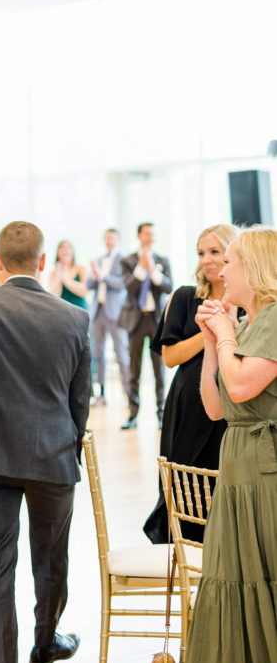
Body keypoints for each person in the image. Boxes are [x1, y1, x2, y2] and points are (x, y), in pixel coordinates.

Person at [0, 221, 91, 663]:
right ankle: (44, 644)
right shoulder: (74, 317)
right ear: (42, 261)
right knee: (51, 556)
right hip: (54, 452)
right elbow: (80, 398)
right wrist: (68, 442)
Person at [178, 226, 277, 663]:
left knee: (263, 602)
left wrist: (224, 335)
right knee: (232, 610)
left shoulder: (274, 320)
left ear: (256, 270)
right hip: (238, 475)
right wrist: (216, 340)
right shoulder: (245, 323)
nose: (222, 270)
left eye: (231, 261)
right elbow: (216, 406)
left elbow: (243, 385)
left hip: (266, 479)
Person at [143, 224, 238, 544]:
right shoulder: (185, 297)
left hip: (230, 401)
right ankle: (187, 551)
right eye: (201, 253)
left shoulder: (245, 300)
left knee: (222, 477)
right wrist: (212, 327)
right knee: (184, 477)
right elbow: (170, 357)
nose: (206, 259)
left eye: (215, 251)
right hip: (188, 403)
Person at [119, 223, 173, 429]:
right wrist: (142, 268)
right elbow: (129, 288)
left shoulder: (162, 260)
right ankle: (133, 414)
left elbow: (168, 287)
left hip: (157, 320)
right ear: (139, 236)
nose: (150, 237)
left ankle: (161, 414)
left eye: (152, 234)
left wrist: (153, 271)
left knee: (159, 369)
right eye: (147, 233)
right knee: (134, 370)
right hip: (136, 320)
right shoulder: (128, 260)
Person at [86, 228, 129, 407]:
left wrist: (103, 276)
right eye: (107, 237)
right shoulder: (98, 260)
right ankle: (101, 394)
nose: (110, 240)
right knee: (98, 353)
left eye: (113, 237)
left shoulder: (124, 260)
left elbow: (122, 283)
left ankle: (129, 394)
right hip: (98, 311)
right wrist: (94, 275)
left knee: (121, 353)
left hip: (115, 312)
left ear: (118, 240)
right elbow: (89, 285)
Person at [48, 240, 89, 311]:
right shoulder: (53, 273)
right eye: (62, 247)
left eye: (68, 247)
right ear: (58, 253)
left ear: (72, 252)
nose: (65, 249)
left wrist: (66, 280)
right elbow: (54, 296)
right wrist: (58, 276)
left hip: (80, 310)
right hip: (62, 311)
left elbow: (84, 291)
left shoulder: (81, 269)